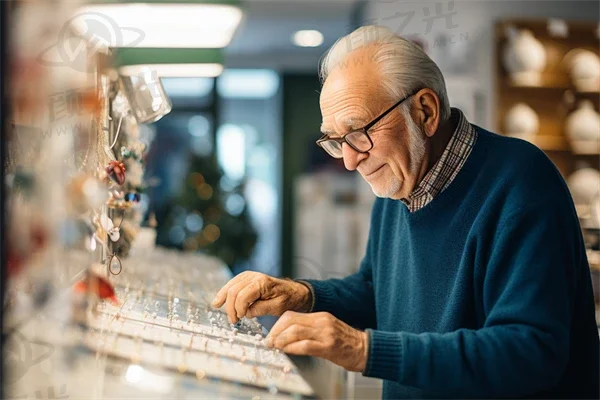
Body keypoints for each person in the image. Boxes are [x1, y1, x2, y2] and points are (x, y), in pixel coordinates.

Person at [211, 26, 600, 399]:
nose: (349, 161)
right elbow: (376, 291)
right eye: (336, 140)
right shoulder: (399, 182)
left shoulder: (520, 182)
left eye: (359, 132)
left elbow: (531, 352)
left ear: (425, 112)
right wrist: (302, 294)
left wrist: (364, 350)